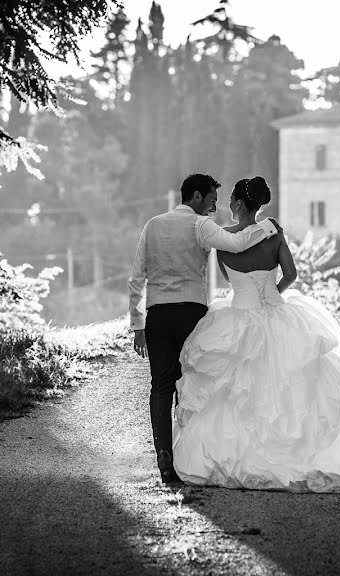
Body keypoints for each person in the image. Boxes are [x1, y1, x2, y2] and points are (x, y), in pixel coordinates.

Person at [172, 176, 340, 492]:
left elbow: (230, 280)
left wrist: (250, 295)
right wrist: (272, 294)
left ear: (236, 203)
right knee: (296, 387)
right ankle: (303, 459)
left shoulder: (223, 239)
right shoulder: (273, 230)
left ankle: (236, 458)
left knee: (234, 391)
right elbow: (291, 274)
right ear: (259, 204)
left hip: (239, 316)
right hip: (277, 313)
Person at [128, 173, 279, 484]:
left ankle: (163, 456)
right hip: (191, 313)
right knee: (190, 383)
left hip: (157, 314)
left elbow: (136, 278)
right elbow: (237, 244)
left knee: (161, 385)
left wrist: (137, 324)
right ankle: (185, 454)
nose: (213, 208)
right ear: (195, 196)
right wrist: (267, 227)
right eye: (211, 200)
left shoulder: (152, 225)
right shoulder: (200, 225)